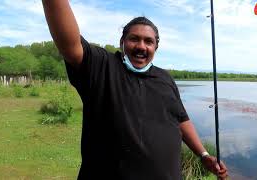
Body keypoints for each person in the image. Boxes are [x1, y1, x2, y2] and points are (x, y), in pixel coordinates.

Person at [42, 1, 228, 179]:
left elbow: (180, 119)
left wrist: (203, 155)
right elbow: (70, 45)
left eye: (148, 41)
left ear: (156, 46)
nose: (141, 46)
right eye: (134, 39)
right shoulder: (102, 66)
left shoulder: (166, 78)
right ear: (122, 42)